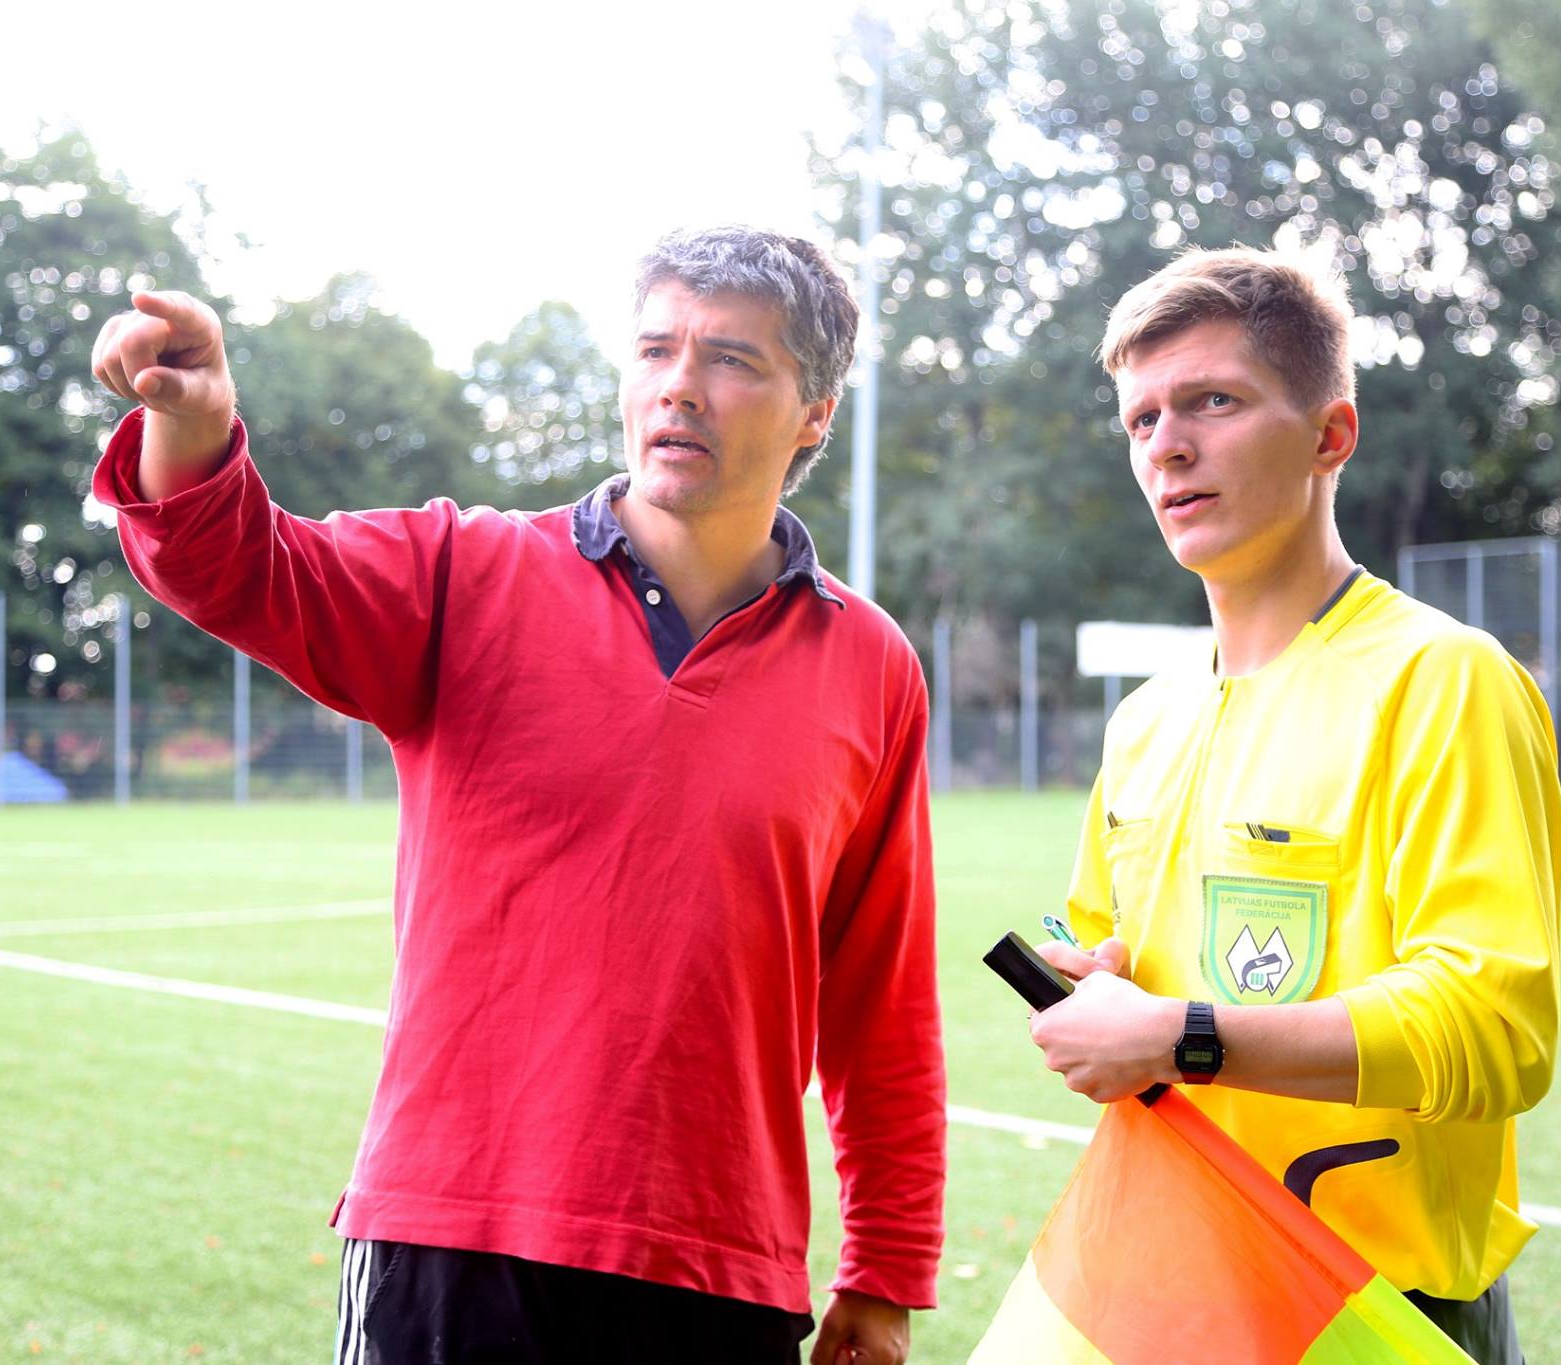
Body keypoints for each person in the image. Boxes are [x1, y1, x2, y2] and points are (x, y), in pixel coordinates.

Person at [87, 226, 944, 1365]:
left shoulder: (870, 666)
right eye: (654, 350)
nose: (679, 385)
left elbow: (878, 999)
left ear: (815, 413)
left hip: (716, 1265)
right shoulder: (462, 573)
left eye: (732, 359)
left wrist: (884, 1275)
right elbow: (242, 568)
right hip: (453, 1236)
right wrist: (189, 429)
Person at [1026, 247, 1561, 1364]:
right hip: (1174, 1287)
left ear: (1329, 435)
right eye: (1140, 421)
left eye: (1211, 402)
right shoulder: (1146, 721)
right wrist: (1103, 986)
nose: (1167, 444)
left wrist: (1181, 1038)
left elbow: (1493, 1031)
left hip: (1373, 1310)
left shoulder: (1440, 679)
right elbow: (1110, 953)